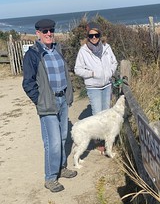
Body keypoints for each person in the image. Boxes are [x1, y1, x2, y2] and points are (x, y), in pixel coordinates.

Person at [22, 19, 77, 193]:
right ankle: (50, 177)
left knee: (61, 138)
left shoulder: (57, 50)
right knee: (52, 142)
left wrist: (69, 93)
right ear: (37, 33)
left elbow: (65, 75)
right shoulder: (33, 54)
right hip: (48, 103)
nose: (48, 34)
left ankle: (61, 167)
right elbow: (28, 83)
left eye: (51, 30)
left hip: (62, 100)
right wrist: (40, 100)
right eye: (44, 31)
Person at [74, 22, 118, 150]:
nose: (94, 37)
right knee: (97, 114)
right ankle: (98, 142)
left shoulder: (106, 47)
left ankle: (106, 140)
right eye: (91, 35)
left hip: (107, 85)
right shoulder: (84, 51)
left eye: (96, 34)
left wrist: (110, 72)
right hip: (93, 87)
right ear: (87, 36)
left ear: (100, 34)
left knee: (107, 113)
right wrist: (92, 74)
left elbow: (114, 62)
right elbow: (78, 69)